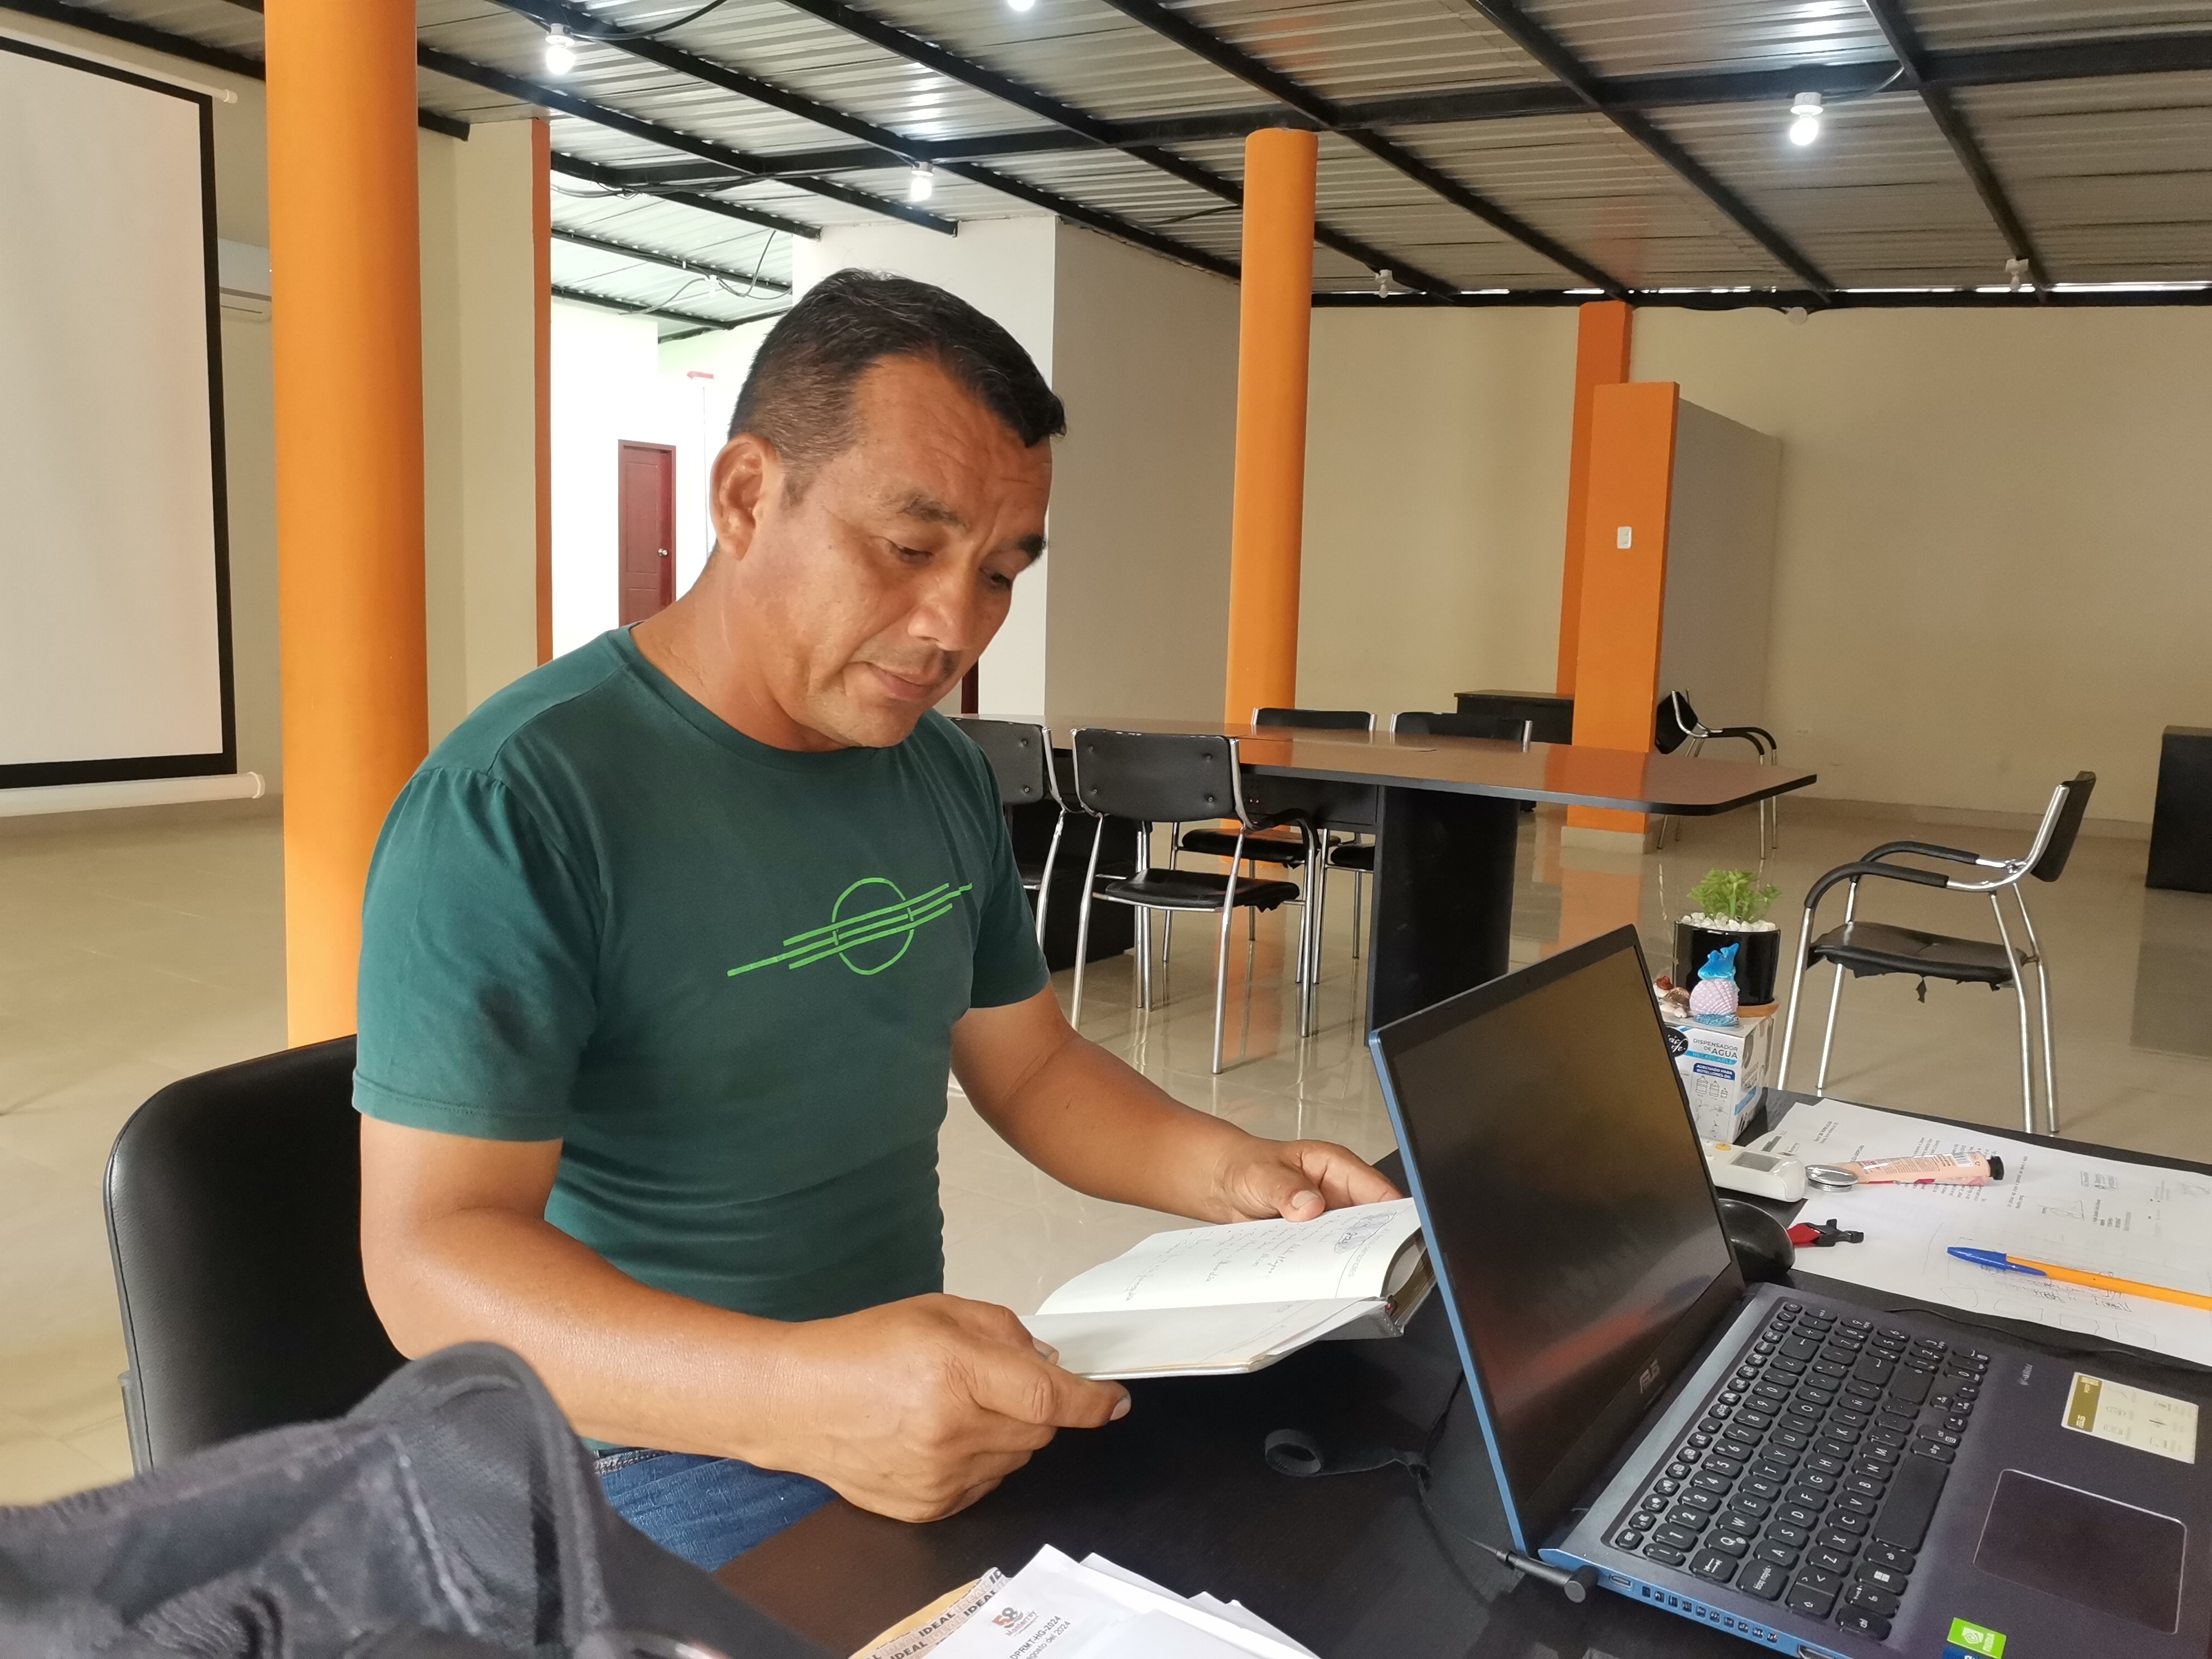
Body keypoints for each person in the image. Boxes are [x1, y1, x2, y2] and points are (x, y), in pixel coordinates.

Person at [353, 270, 1397, 1573]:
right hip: (643, 1447)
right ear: (745, 497)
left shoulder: (935, 769)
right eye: (908, 549)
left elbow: (1033, 1068)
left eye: (999, 573)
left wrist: (1237, 1173)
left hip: (902, 1402)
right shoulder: (519, 802)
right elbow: (429, 1262)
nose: (954, 626)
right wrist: (803, 1397)